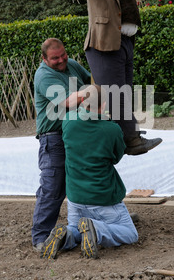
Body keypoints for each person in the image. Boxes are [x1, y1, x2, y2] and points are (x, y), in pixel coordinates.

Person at [66, 0, 162, 156]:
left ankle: (129, 133)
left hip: (124, 42)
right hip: (104, 43)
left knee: (123, 91)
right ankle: (131, 141)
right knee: (115, 93)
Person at [40, 84, 138, 260]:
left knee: (76, 229)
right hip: (103, 197)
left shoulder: (68, 121)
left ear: (83, 101)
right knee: (130, 234)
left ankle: (66, 236)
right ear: (105, 104)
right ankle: (96, 228)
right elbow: (116, 157)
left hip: (75, 198)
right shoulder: (112, 129)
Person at [32, 38, 91, 252]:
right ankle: (40, 237)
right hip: (53, 136)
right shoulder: (44, 76)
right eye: (55, 58)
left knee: (86, 177)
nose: (61, 60)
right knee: (53, 186)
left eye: (63, 55)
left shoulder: (72, 64)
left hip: (76, 130)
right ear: (44, 59)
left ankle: (104, 222)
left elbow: (91, 80)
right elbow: (68, 102)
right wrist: (92, 93)